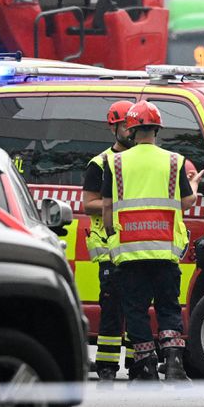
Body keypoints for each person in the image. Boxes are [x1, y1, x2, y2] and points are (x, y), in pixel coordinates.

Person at [102, 101, 200, 383]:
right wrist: (193, 188)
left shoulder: (115, 162)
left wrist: (112, 233)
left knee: (135, 309)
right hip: (165, 249)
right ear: (157, 128)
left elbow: (107, 206)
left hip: (129, 251)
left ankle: (145, 366)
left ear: (131, 130)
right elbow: (184, 202)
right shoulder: (174, 161)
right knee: (169, 307)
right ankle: (173, 363)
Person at [82, 100, 136, 383]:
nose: (131, 130)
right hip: (110, 249)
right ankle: (106, 367)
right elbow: (87, 203)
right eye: (126, 125)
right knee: (112, 309)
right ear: (113, 127)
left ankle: (139, 364)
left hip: (140, 245)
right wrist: (116, 205)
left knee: (138, 308)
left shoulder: (144, 162)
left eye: (135, 125)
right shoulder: (100, 164)